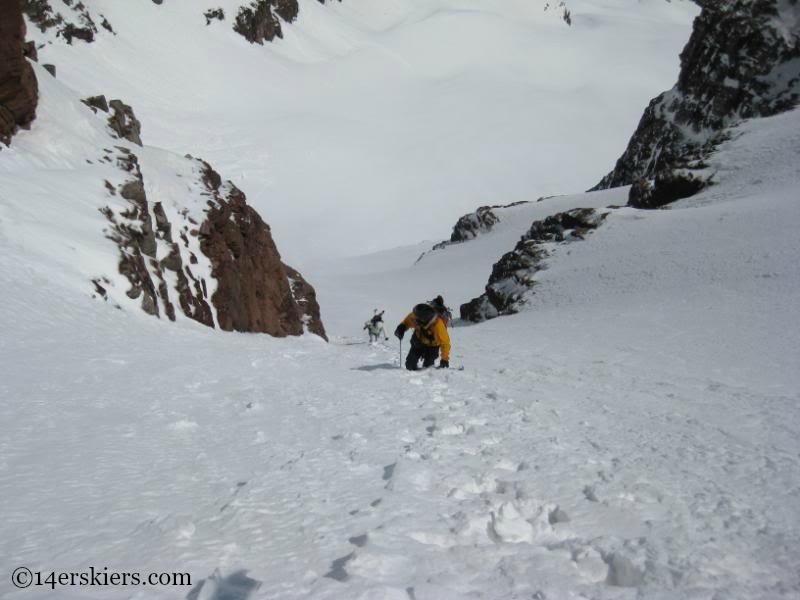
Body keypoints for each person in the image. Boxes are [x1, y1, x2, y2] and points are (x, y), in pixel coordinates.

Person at [394, 301, 450, 370]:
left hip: (432, 348)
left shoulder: (438, 326)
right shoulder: (416, 315)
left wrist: (444, 359)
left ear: (423, 320)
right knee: (409, 365)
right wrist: (402, 327)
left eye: (417, 319)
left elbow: (445, 343)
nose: (414, 319)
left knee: (427, 368)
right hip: (418, 342)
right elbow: (407, 321)